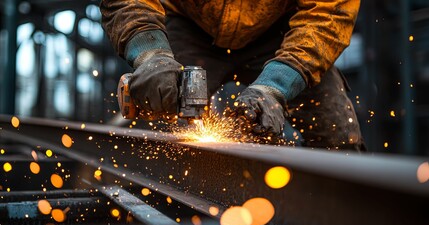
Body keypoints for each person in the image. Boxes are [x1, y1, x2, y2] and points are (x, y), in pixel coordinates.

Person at [100, 0, 365, 151]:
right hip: (186, 23)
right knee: (155, 126)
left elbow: (329, 15)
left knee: (338, 135)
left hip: (287, 33)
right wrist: (150, 53)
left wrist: (275, 87)